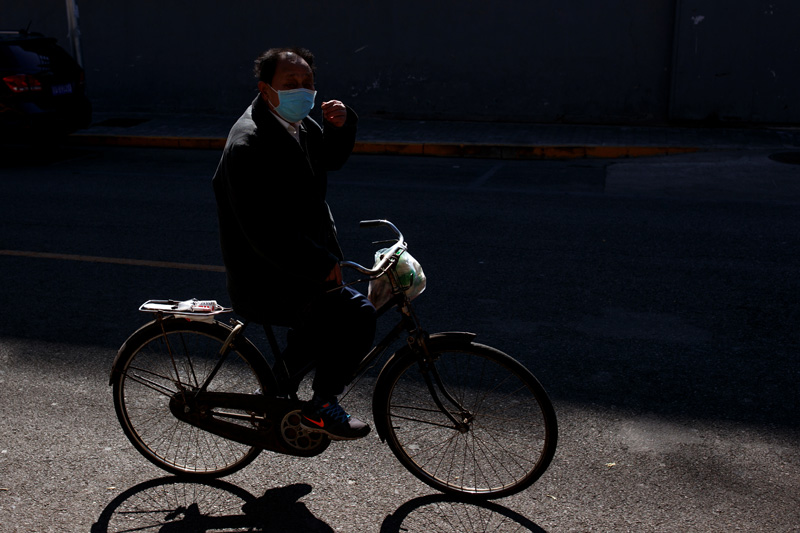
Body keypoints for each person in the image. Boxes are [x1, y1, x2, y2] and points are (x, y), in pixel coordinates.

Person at [212, 47, 375, 440]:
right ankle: (322, 406)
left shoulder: (297, 124)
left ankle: (268, 399)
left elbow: (328, 160)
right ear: (265, 89)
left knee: (311, 337)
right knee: (358, 314)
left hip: (300, 263)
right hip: (268, 275)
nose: (302, 91)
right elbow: (264, 230)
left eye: (308, 84)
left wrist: (342, 126)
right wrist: (318, 262)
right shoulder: (249, 144)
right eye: (291, 84)